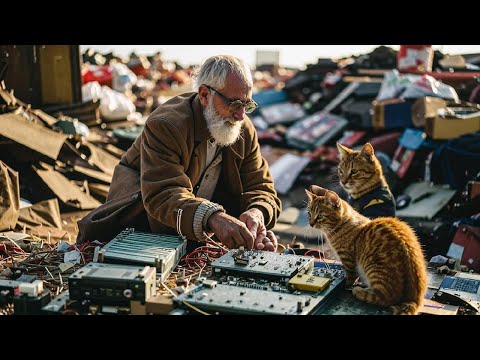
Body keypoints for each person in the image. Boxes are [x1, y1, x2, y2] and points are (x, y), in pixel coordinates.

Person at [77, 54, 281, 252]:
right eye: (235, 104)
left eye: (248, 104)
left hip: (197, 221)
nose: (240, 115)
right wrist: (214, 218)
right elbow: (164, 194)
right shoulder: (166, 124)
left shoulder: (243, 128)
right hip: (143, 219)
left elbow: (260, 186)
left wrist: (256, 215)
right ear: (204, 95)